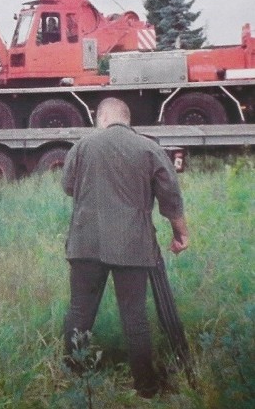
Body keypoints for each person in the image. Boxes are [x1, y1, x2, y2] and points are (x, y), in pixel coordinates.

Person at [61, 97, 190, 398]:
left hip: (84, 244)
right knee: (134, 317)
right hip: (133, 245)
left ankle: (74, 379)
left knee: (80, 311)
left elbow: (68, 186)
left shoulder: (81, 147)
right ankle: (146, 387)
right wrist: (180, 234)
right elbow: (170, 196)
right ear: (127, 119)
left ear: (101, 118)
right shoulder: (148, 148)